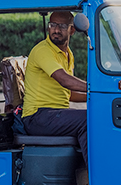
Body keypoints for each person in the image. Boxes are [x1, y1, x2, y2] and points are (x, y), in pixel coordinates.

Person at [20, 11, 88, 161]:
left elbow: (68, 93)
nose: (56, 30)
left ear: (72, 30)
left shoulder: (68, 54)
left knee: (96, 115)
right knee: (87, 120)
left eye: (62, 26)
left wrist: (94, 97)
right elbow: (64, 80)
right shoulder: (43, 50)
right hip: (37, 117)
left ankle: (87, 174)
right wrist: (96, 88)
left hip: (54, 115)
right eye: (52, 25)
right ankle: (99, 177)